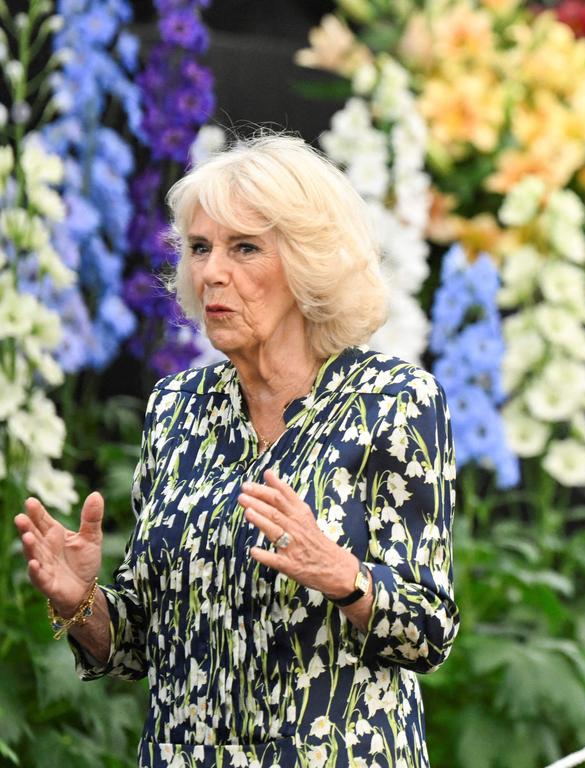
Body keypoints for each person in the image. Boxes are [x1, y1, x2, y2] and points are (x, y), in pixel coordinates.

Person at [13, 133, 459, 767]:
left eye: (244, 247)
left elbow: (429, 632)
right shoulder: (175, 408)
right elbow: (140, 642)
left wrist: (343, 575)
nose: (211, 271)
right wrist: (80, 603)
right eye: (199, 248)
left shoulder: (392, 401)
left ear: (308, 262)